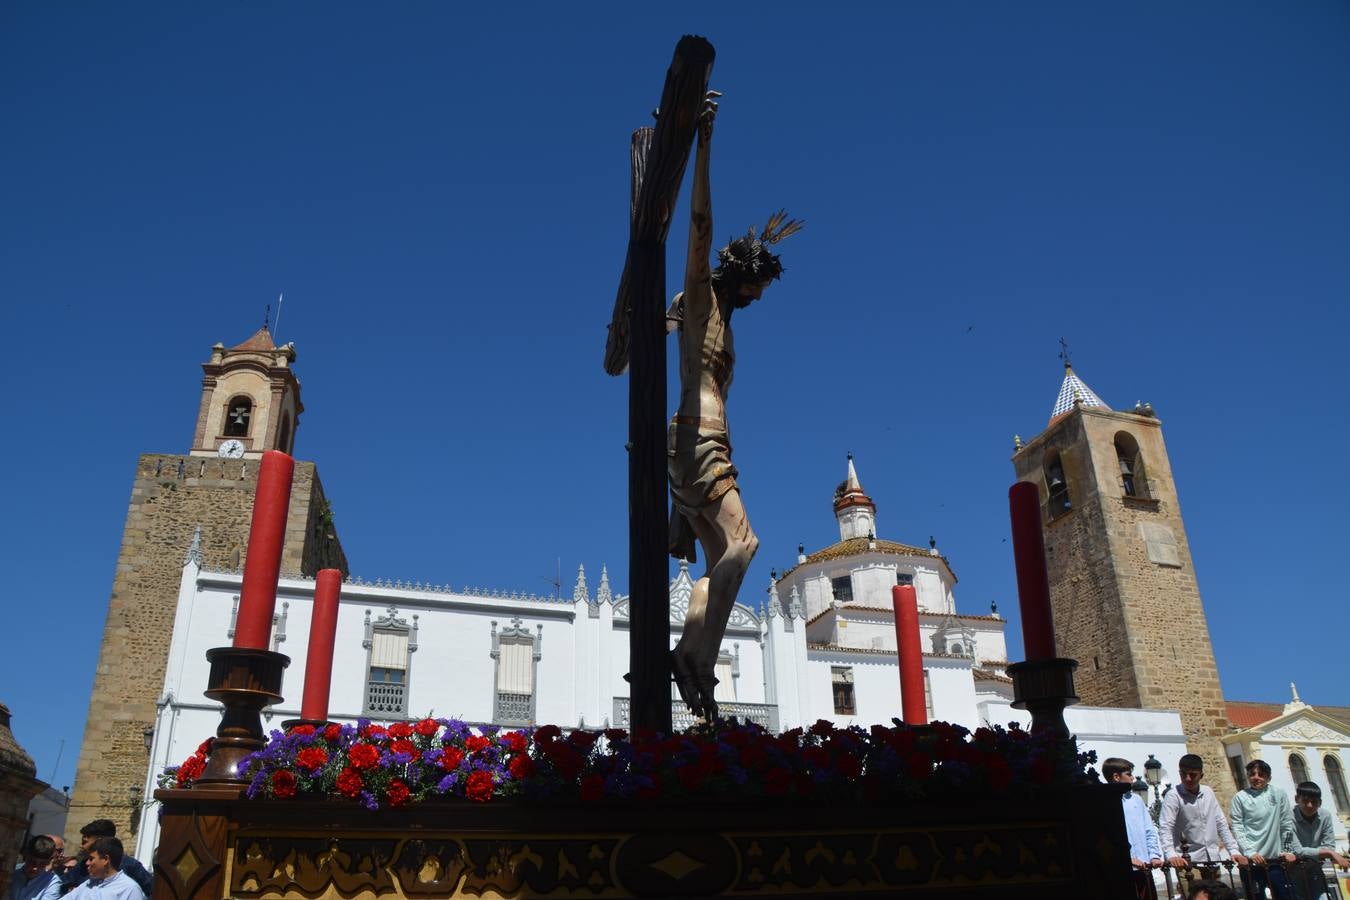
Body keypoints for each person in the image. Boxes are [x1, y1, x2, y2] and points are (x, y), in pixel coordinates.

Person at [666, 91, 801, 720]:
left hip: (705, 445)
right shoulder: (701, 302)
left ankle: (692, 654)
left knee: (725, 559)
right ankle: (694, 658)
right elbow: (699, 226)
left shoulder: (726, 320)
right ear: (740, 272)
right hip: (696, 438)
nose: (759, 295)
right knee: (743, 547)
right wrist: (705, 140)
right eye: (757, 284)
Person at [1159, 754, 1246, 888]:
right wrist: (1171, 855)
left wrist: (1233, 850)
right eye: (1183, 774)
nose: (1187, 778)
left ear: (1201, 775)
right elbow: (1166, 826)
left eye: (1192, 775)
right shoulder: (1173, 796)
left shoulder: (1208, 792)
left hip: (1212, 859)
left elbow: (1221, 823)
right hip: (1187, 861)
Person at [1229, 758, 1295, 899]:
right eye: (1252, 774)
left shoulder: (1278, 794)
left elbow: (1286, 824)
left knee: (1285, 896)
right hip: (1252, 862)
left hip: (1275, 861)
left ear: (1268, 777)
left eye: (1261, 774)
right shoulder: (1240, 797)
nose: (1256, 777)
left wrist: (1287, 850)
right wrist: (1250, 852)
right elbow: (1238, 827)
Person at [1103, 757, 1163, 899]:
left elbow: (1149, 830)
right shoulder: (1105, 803)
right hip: (1122, 870)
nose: (1132, 779)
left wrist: (1154, 855)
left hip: (1144, 868)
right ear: (1116, 777)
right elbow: (1108, 837)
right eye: (1128, 774)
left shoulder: (1136, 800)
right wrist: (1128, 858)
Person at [1287, 781, 1349, 899]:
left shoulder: (1325, 815)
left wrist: (1326, 851)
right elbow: (1296, 850)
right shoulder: (1288, 816)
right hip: (1293, 868)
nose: (1310, 805)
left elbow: (1329, 845)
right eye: (1305, 801)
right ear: (1297, 799)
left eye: (1314, 802)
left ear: (1320, 802)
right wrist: (1329, 853)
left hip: (1315, 867)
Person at [59, 822, 151, 898]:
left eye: (85, 842)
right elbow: (62, 884)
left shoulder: (130, 880)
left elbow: (152, 889)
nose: (81, 846)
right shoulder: (86, 878)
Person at [62, 839, 144, 900]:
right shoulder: (87, 884)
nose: (87, 863)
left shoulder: (130, 889)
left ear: (105, 859)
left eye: (91, 859)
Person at [10, 835, 61, 900]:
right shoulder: (12, 873)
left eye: (42, 864)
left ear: (49, 862)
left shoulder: (52, 882)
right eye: (32, 861)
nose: (35, 868)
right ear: (25, 856)